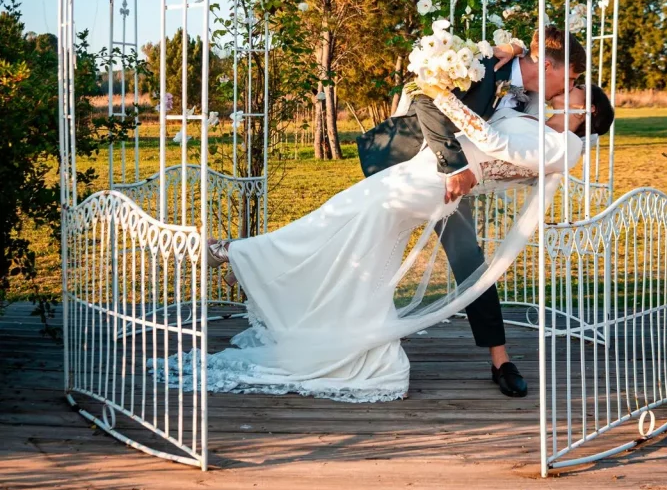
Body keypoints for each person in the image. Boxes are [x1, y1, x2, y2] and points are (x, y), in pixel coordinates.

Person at [186, 76, 614, 405]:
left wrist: (439, 96)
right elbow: (510, 111)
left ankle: (234, 253)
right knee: (354, 241)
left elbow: (494, 141)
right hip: (419, 173)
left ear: (587, 110)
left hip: (430, 184)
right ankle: (358, 340)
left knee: (331, 222)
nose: (565, 92)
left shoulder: (566, 145)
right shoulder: (542, 121)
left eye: (576, 88)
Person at [357, 26, 587, 398]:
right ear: (547, 66)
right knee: (377, 251)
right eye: (570, 78)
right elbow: (428, 103)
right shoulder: (481, 64)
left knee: (468, 256)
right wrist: (454, 166)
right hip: (401, 160)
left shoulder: (529, 93)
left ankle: (500, 359)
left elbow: (533, 134)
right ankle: (365, 343)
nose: (565, 89)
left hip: (449, 178)